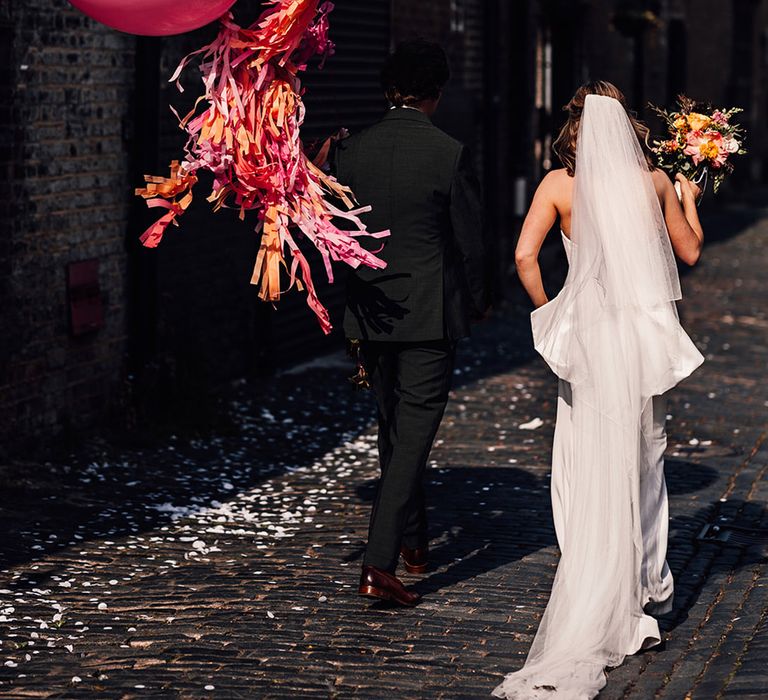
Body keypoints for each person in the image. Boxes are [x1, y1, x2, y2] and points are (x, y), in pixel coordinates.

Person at [493, 81, 705, 698]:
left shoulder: (559, 186)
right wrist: (690, 199)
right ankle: (649, 586)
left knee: (584, 456)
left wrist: (552, 311)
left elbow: (524, 256)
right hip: (641, 340)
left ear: (574, 129)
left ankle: (591, 569)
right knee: (647, 457)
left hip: (588, 336)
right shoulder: (655, 183)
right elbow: (688, 252)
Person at [332, 39, 490, 607]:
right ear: (437, 93)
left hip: (369, 313)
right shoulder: (449, 152)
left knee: (394, 430)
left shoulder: (349, 153)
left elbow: (336, 233)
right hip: (428, 314)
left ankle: (417, 543)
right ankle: (379, 563)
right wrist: (480, 299)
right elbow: (469, 239)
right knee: (412, 437)